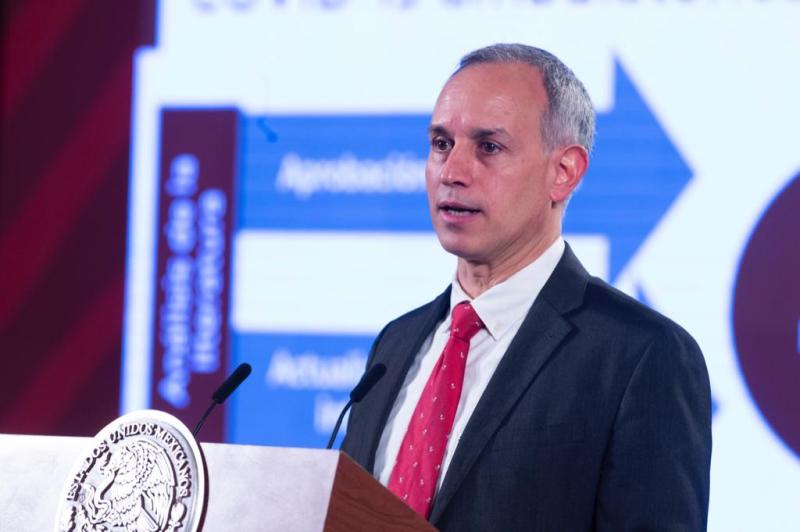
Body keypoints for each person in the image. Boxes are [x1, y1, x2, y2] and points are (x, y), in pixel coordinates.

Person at [341, 43, 711, 531]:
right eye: (441, 144)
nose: (452, 172)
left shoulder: (642, 356)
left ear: (564, 172)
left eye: (489, 147)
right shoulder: (395, 344)